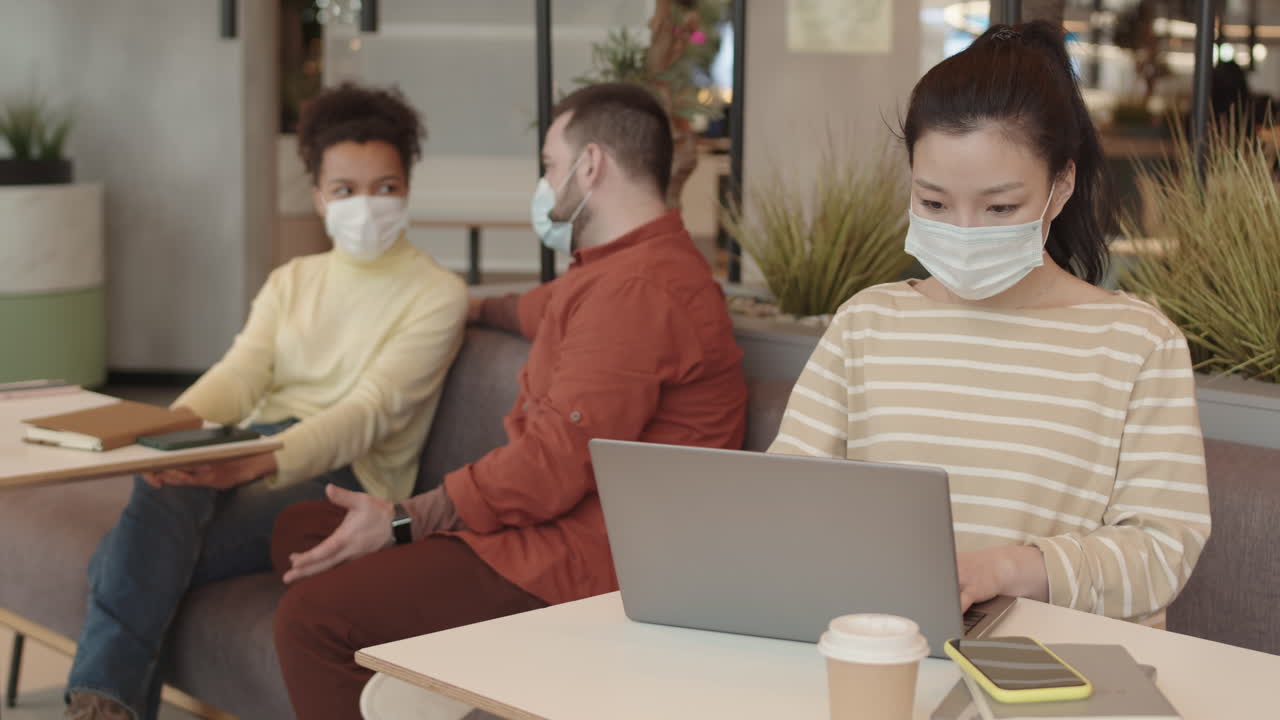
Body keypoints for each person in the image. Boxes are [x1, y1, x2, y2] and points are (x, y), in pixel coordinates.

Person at [267, 81, 749, 719]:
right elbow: (534, 308)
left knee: (312, 616)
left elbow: (551, 466)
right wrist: (459, 305)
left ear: (591, 165)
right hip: (546, 536)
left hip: (589, 567)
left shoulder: (638, 290)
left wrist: (410, 517)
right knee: (303, 533)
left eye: (550, 167)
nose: (546, 187)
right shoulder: (616, 267)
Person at [770, 22, 1210, 621]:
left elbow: (1162, 552)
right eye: (934, 203)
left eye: (1000, 207)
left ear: (1061, 187)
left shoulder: (1137, 343)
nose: (965, 232)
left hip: (1063, 675)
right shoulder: (866, 324)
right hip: (889, 647)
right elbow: (783, 505)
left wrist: (1000, 569)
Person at [65, 84, 468, 720]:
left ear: (407, 188)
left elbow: (365, 414)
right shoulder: (293, 280)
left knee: (117, 560)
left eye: (384, 187)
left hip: (348, 477)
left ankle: (101, 704)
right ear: (317, 195)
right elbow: (239, 377)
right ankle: (106, 705)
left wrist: (253, 461)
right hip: (259, 439)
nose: (366, 205)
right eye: (345, 189)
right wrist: (164, 428)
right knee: (164, 481)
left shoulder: (438, 294)